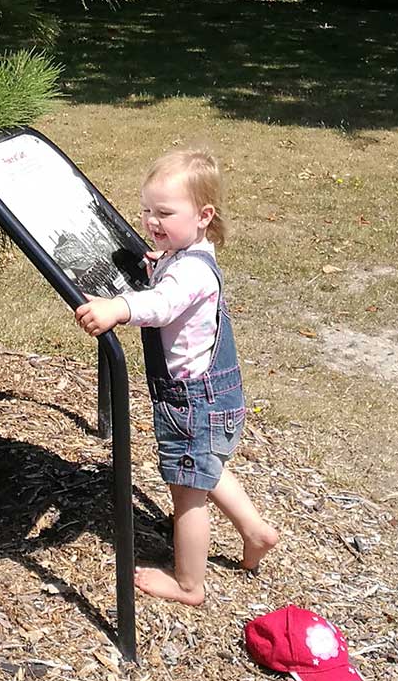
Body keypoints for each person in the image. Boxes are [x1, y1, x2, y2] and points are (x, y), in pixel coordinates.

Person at [73, 148, 279, 605]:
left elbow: (163, 304)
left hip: (193, 403)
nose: (152, 221)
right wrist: (158, 263)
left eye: (165, 213)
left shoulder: (190, 272)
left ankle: (189, 585)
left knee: (187, 496)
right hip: (212, 399)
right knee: (206, 468)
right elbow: (170, 282)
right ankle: (255, 531)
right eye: (146, 210)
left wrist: (118, 307)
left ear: (204, 216)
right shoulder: (186, 255)